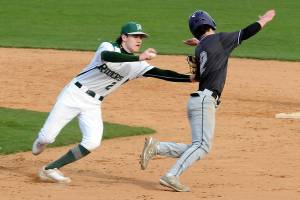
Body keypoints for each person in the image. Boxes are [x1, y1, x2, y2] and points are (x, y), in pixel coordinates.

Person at [32, 21, 195, 183]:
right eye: (135, 36)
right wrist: (140, 57)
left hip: (93, 104)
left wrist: (190, 79)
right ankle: (41, 141)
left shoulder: (138, 66)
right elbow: (108, 57)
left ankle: (50, 169)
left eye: (141, 37)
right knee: (46, 138)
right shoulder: (108, 47)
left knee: (92, 142)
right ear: (124, 37)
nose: (139, 40)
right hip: (74, 94)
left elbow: (161, 73)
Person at [140, 9, 276, 192]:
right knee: (202, 146)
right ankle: (171, 176)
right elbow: (246, 33)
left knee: (197, 146)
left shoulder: (200, 47)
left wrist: (198, 42)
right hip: (205, 100)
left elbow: (202, 59)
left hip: (199, 101)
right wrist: (264, 21)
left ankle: (157, 147)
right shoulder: (219, 40)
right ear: (211, 22)